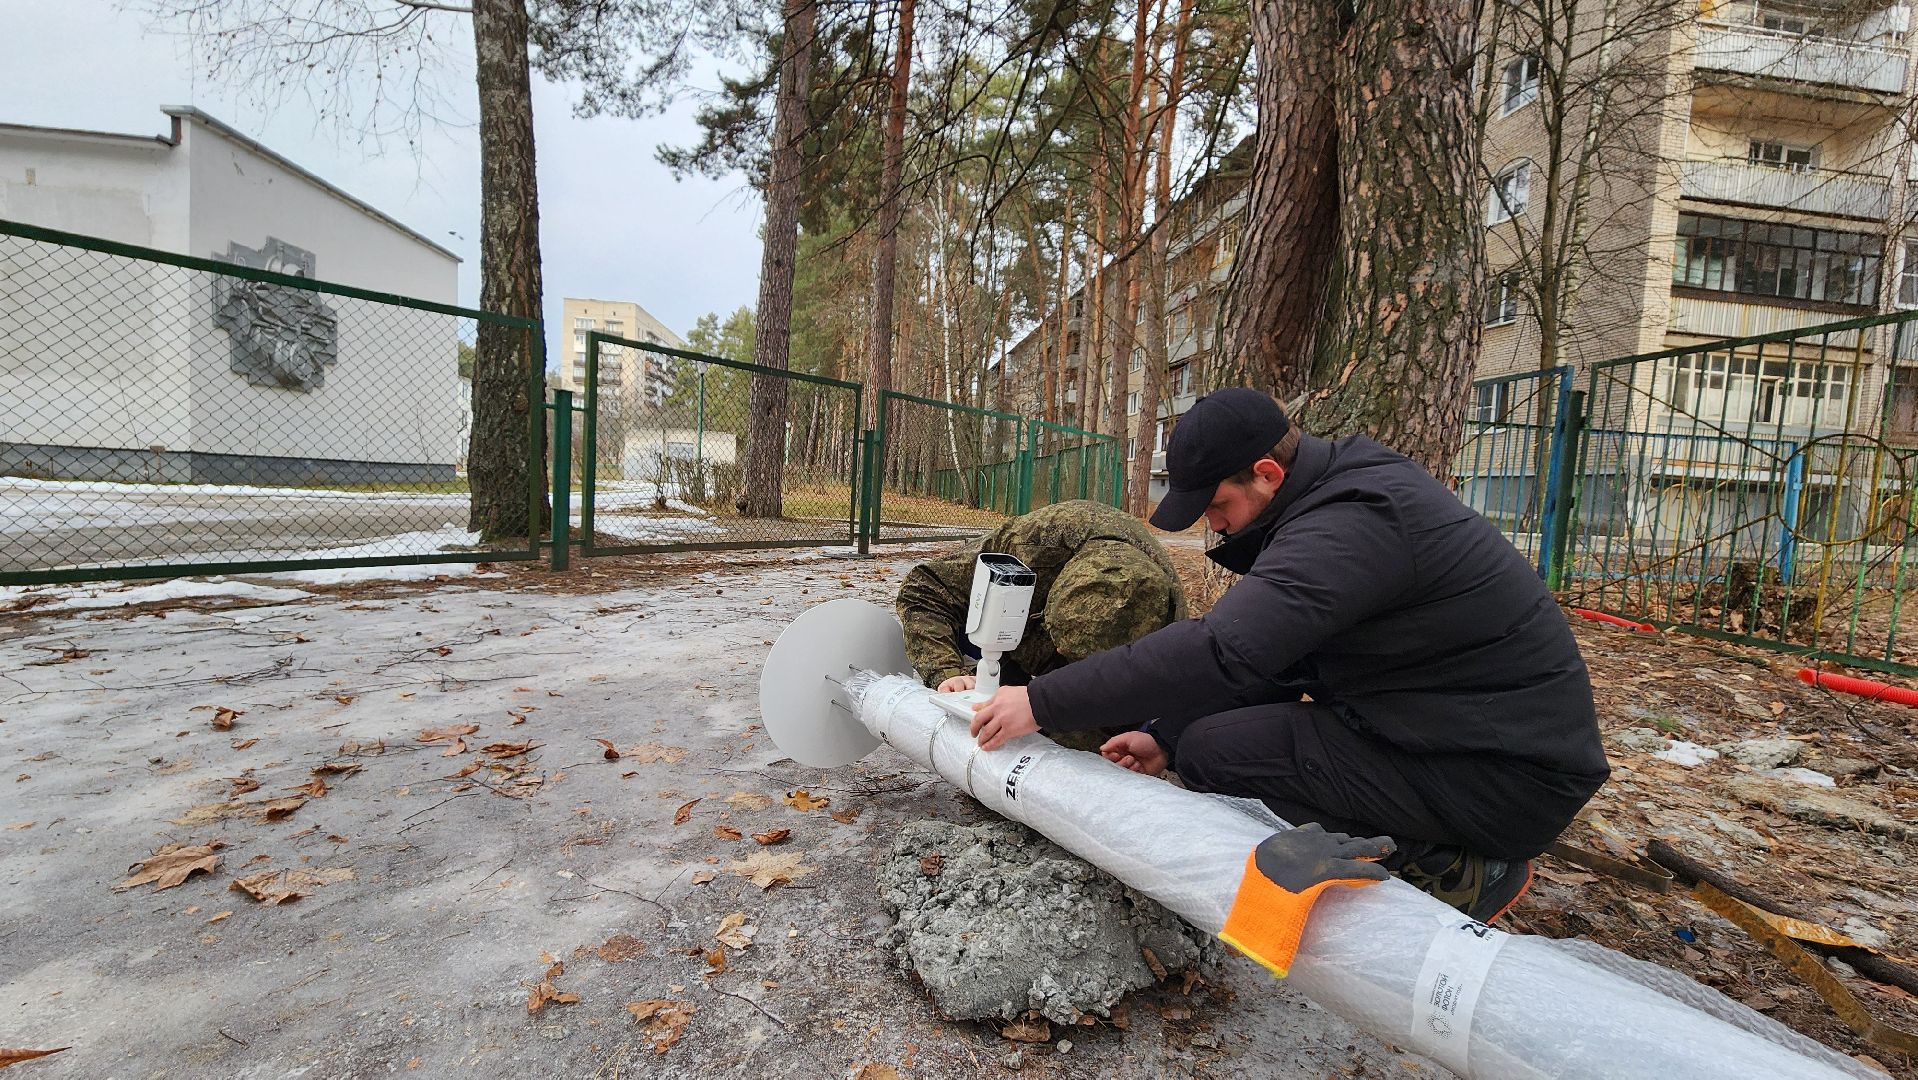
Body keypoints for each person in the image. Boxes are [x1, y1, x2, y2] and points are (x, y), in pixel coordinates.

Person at [966, 389, 1609, 923]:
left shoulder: (1352, 522)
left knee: (1219, 751)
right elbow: (1275, 659)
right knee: (1203, 742)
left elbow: (1220, 650)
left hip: (1506, 779)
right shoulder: (1336, 495)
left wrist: (1041, 701)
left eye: (1217, 506)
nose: (1213, 526)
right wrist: (1165, 735)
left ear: (1267, 475)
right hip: (1450, 738)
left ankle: (1459, 866)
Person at [896, 499, 1186, 751]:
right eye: (1060, 642)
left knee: (1088, 752)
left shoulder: (1171, 628)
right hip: (1008, 632)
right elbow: (924, 590)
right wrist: (946, 671)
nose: (1061, 650)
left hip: (1115, 678)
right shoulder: (1031, 547)